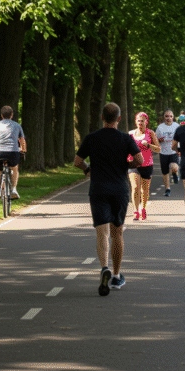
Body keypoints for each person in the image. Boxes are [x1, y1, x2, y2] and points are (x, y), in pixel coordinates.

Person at [73, 103, 145, 296]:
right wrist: (126, 164)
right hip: (119, 190)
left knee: (102, 233)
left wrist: (88, 169)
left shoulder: (92, 138)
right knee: (117, 233)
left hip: (98, 190)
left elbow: (77, 162)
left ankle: (104, 267)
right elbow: (140, 160)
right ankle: (115, 275)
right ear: (119, 119)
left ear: (102, 118)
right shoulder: (125, 138)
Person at [0, 105, 27, 200]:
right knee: (14, 168)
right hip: (12, 152)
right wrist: (23, 150)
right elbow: (21, 140)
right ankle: (14, 190)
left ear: (1, 115)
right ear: (12, 115)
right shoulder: (17, 125)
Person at [128, 112, 160, 221]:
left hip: (147, 164)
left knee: (144, 189)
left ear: (146, 122)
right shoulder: (130, 134)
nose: (140, 123)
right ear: (135, 122)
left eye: (142, 121)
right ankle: (135, 210)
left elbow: (158, 149)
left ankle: (143, 209)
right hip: (133, 163)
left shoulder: (150, 133)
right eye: (138, 120)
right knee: (135, 187)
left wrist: (149, 145)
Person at [155, 110, 181, 196]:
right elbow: (155, 141)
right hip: (163, 152)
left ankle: (175, 174)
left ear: (173, 117)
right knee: (165, 172)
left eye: (170, 116)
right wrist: (159, 140)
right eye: (166, 116)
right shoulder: (160, 127)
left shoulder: (177, 126)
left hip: (174, 150)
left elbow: (181, 138)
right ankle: (167, 189)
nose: (168, 118)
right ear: (164, 117)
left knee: (174, 166)